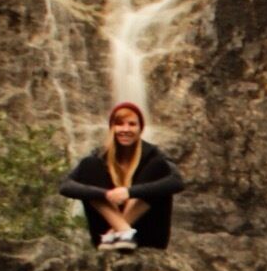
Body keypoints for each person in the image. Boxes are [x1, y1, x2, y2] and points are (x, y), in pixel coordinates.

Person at [61, 102, 184, 250]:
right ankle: (123, 230)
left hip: (146, 236)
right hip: (106, 239)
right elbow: (66, 186)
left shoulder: (153, 154)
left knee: (158, 167)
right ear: (112, 128)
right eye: (119, 124)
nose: (125, 129)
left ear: (140, 129)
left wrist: (128, 192)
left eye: (132, 124)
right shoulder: (100, 155)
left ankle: (122, 232)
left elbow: (176, 181)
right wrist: (106, 194)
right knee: (89, 164)